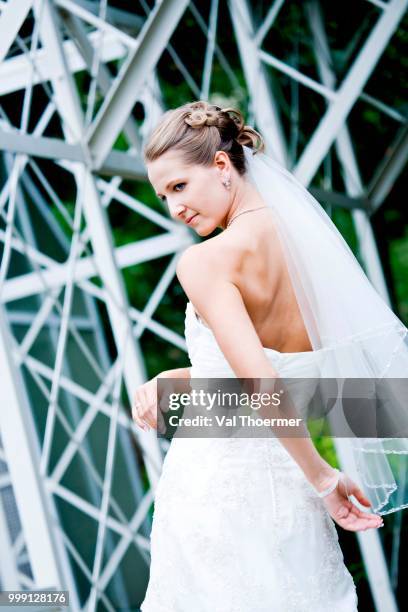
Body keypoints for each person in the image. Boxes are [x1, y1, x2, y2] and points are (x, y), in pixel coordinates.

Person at [133, 101, 385, 611]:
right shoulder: (310, 247)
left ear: (222, 166)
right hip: (293, 497)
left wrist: (324, 478)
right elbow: (288, 377)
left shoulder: (206, 262)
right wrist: (177, 378)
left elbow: (260, 383)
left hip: (218, 491)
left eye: (179, 186)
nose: (174, 208)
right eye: (163, 196)